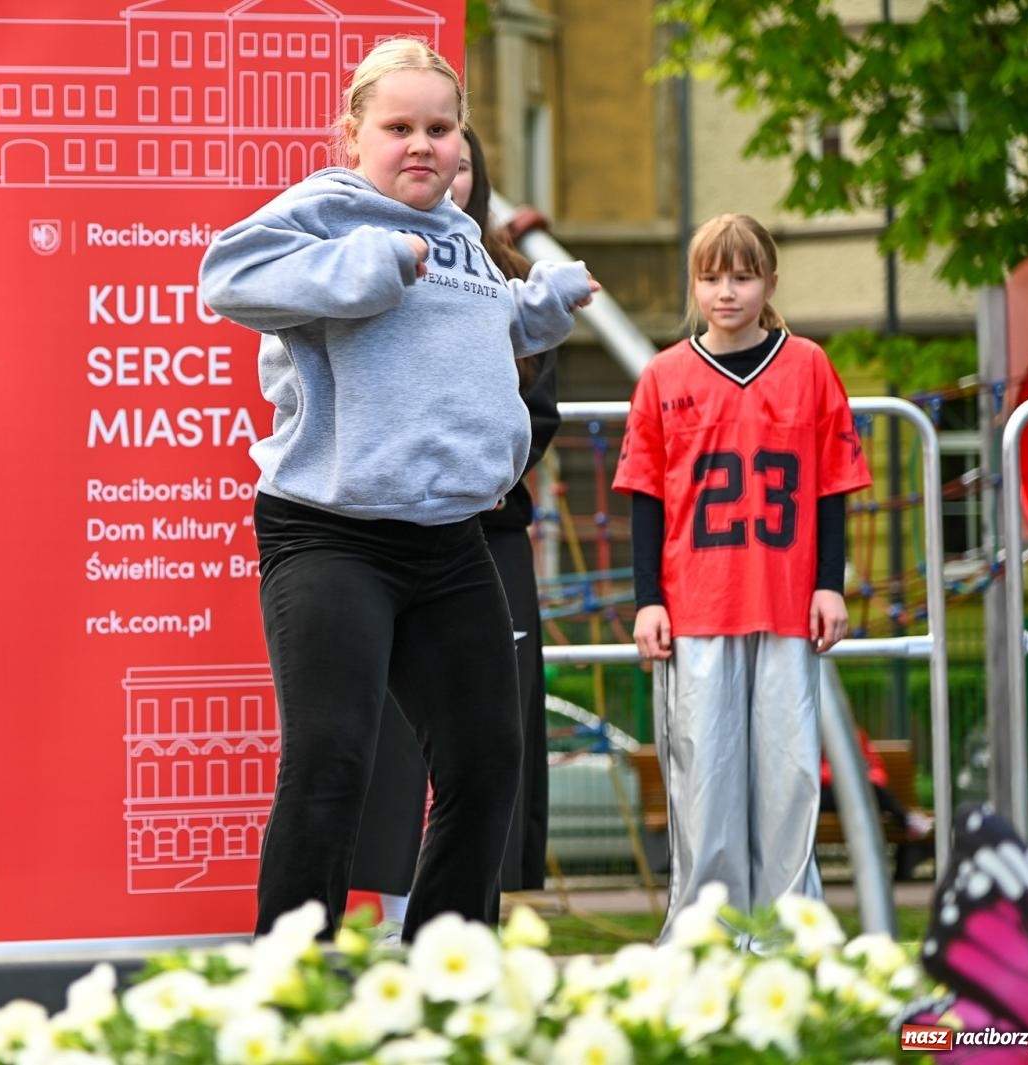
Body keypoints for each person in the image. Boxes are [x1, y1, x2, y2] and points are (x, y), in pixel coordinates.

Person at [199, 37, 597, 940]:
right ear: (353, 136)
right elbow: (223, 275)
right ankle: (290, 969)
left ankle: (445, 960)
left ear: (462, 142)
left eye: (440, 127)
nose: (421, 143)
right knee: (332, 756)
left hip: (447, 537)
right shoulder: (329, 209)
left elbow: (471, 330)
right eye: (399, 127)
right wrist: (367, 267)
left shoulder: (459, 231)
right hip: (330, 532)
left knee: (489, 758)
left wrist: (539, 302)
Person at [613, 212, 872, 940]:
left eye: (742, 275)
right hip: (696, 605)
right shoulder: (663, 375)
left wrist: (830, 582)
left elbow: (829, 486)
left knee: (790, 778)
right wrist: (647, 601)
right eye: (711, 276)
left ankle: (790, 930)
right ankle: (707, 932)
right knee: (705, 781)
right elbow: (645, 496)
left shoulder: (810, 365)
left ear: (769, 282)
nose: (726, 292)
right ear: (693, 284)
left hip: (787, 602)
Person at [349, 127, 560, 927]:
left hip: (488, 535)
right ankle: (401, 907)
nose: (447, 169)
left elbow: (536, 411)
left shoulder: (512, 282)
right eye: (424, 144)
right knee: (400, 730)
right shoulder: (372, 259)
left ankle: (475, 911)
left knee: (487, 729)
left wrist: (478, 470)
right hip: (390, 529)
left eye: (465, 160)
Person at [818, 726, 934, 881]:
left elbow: (876, 768)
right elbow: (813, 771)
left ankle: (907, 821)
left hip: (859, 794)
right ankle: (907, 820)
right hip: (827, 795)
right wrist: (845, 774)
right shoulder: (812, 737)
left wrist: (865, 777)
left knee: (871, 789)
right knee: (862, 789)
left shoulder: (855, 735)